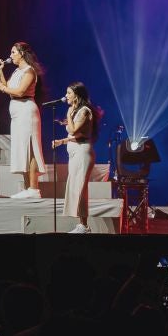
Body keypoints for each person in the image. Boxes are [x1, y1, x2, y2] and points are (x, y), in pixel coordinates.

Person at [0, 41, 46, 198]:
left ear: (22, 53)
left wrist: (3, 88)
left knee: (30, 148)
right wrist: (0, 70)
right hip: (17, 114)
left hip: (26, 112)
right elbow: (8, 88)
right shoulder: (17, 71)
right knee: (22, 149)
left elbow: (20, 91)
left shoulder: (29, 71)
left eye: (13, 52)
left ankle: (34, 189)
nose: (10, 56)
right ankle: (27, 187)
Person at [54, 82, 98, 232]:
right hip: (75, 153)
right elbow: (79, 135)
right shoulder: (77, 111)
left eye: (69, 93)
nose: (66, 96)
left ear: (77, 96)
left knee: (80, 188)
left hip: (82, 153)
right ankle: (82, 224)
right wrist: (62, 141)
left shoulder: (84, 111)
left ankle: (84, 225)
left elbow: (73, 130)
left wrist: (68, 113)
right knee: (75, 187)